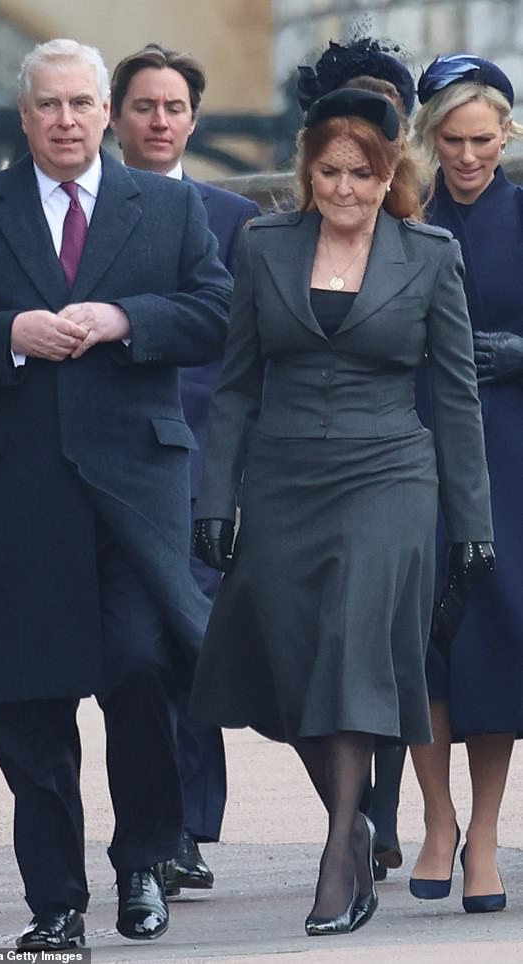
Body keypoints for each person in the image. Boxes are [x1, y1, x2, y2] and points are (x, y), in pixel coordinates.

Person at [0, 38, 232, 948]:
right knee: (31, 705)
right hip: (25, 489)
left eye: (82, 104)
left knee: (140, 671)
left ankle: (141, 867)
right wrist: (10, 332)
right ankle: (55, 902)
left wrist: (126, 318)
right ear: (25, 115)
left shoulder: (165, 208)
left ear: (105, 112)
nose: (65, 120)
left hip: (137, 487)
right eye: (48, 105)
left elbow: (214, 310)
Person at [188, 86, 494, 937]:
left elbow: (459, 398)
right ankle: (357, 818)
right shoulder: (263, 246)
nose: (347, 188)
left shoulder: (429, 255)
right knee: (288, 662)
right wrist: (217, 499)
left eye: (363, 173)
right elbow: (237, 382)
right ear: (307, 169)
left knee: (353, 645)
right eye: (330, 171)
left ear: (389, 173)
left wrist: (473, 526)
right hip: (283, 475)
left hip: (390, 474)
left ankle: (336, 855)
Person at [110, 41, 260, 895]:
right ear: (116, 118)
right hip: (111, 461)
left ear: (193, 120)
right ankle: (156, 825)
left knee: (194, 641)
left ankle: (189, 828)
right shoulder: (82, 216)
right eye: (143, 106)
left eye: (173, 108)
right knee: (134, 651)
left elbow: (246, 358)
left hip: (204, 457)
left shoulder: (234, 218)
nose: (160, 120)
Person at [298, 35, 420, 883]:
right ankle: (360, 812)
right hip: (303, 461)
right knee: (320, 645)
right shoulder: (285, 232)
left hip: (404, 455)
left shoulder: (421, 229)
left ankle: (377, 815)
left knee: (377, 639)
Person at [408, 54, 523, 914]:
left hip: (513, 451)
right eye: (452, 139)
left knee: (490, 639)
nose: (468, 155)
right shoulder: (399, 213)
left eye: (483, 139)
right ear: (428, 137)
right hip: (415, 446)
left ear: (508, 134)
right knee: (420, 638)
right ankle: (435, 818)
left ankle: (484, 832)